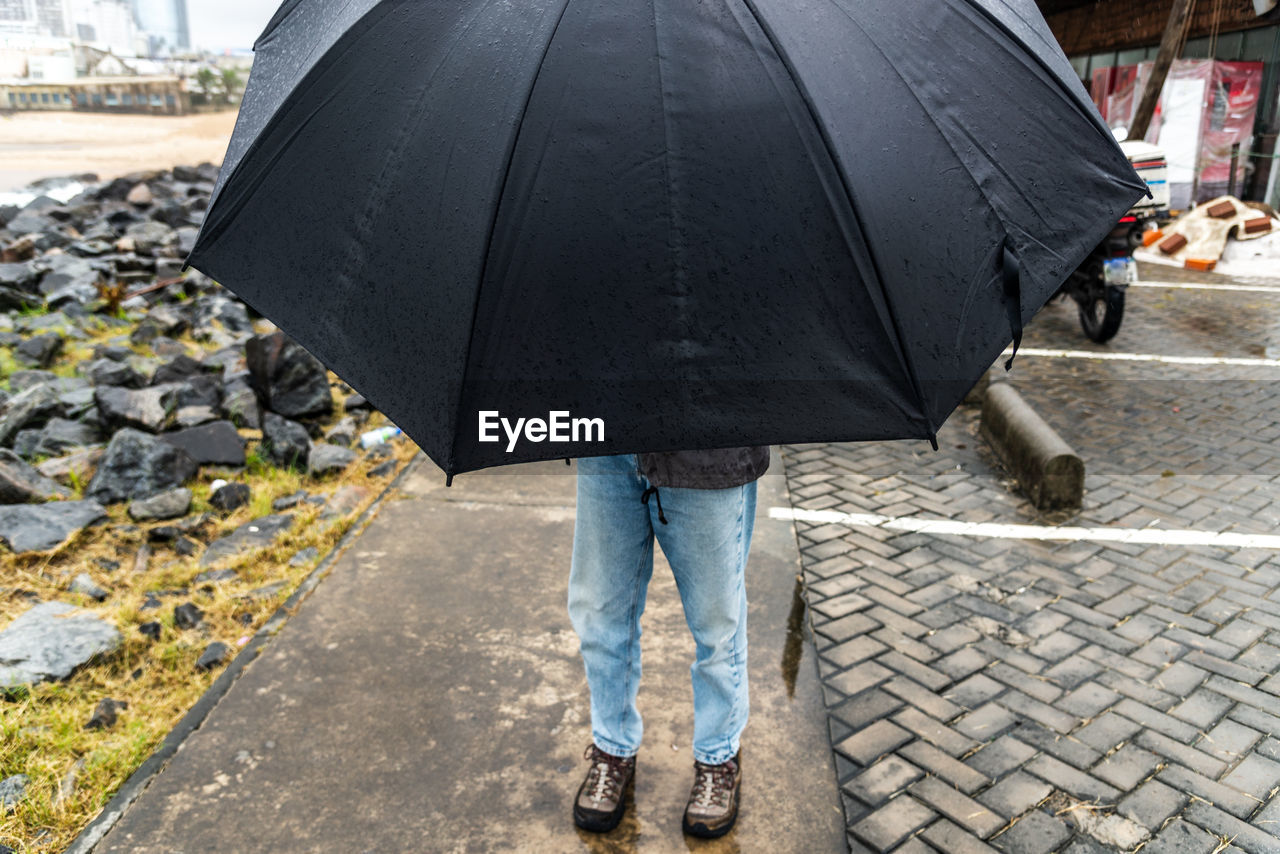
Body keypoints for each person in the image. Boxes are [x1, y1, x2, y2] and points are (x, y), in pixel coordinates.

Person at [567, 447, 769, 838]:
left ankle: (718, 756)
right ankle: (612, 747)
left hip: (710, 448)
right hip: (610, 440)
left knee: (717, 626)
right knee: (600, 614)